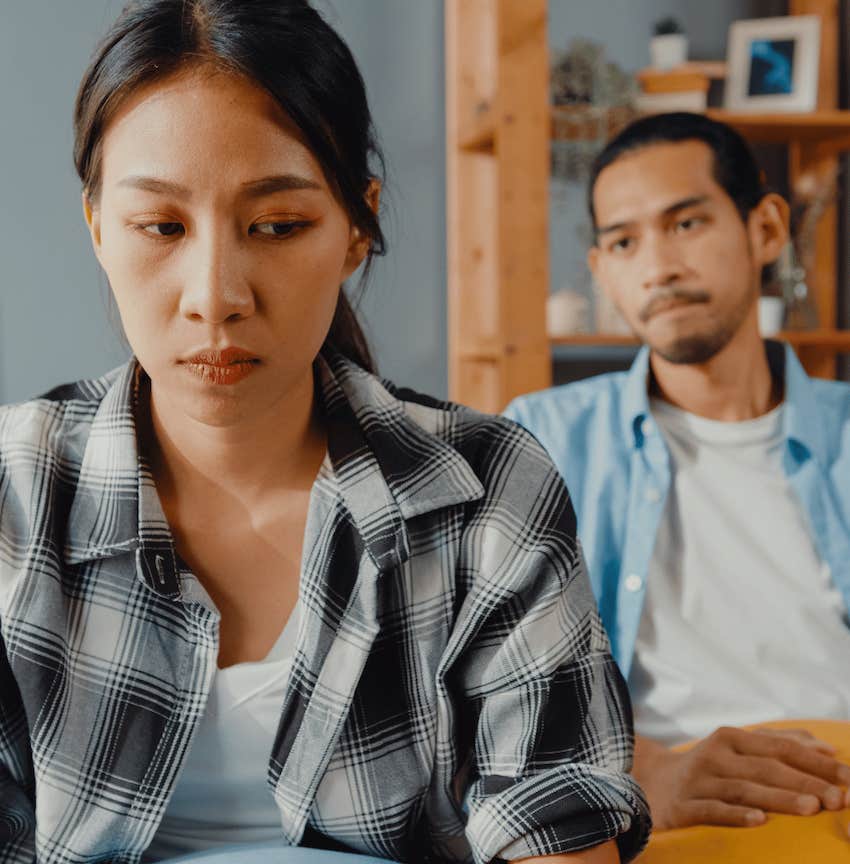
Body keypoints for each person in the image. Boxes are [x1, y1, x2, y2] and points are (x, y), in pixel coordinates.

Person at [0, 2, 650, 863]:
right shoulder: (14, 490)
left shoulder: (490, 489)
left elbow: (554, 825)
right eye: (160, 227)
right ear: (97, 228)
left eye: (277, 226)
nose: (216, 294)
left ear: (356, 228)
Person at [505, 112, 850, 833]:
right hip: (660, 800)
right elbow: (490, 687)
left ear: (765, 229)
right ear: (602, 271)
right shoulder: (542, 438)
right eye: (624, 242)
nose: (658, 267)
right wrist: (638, 769)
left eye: (687, 224)